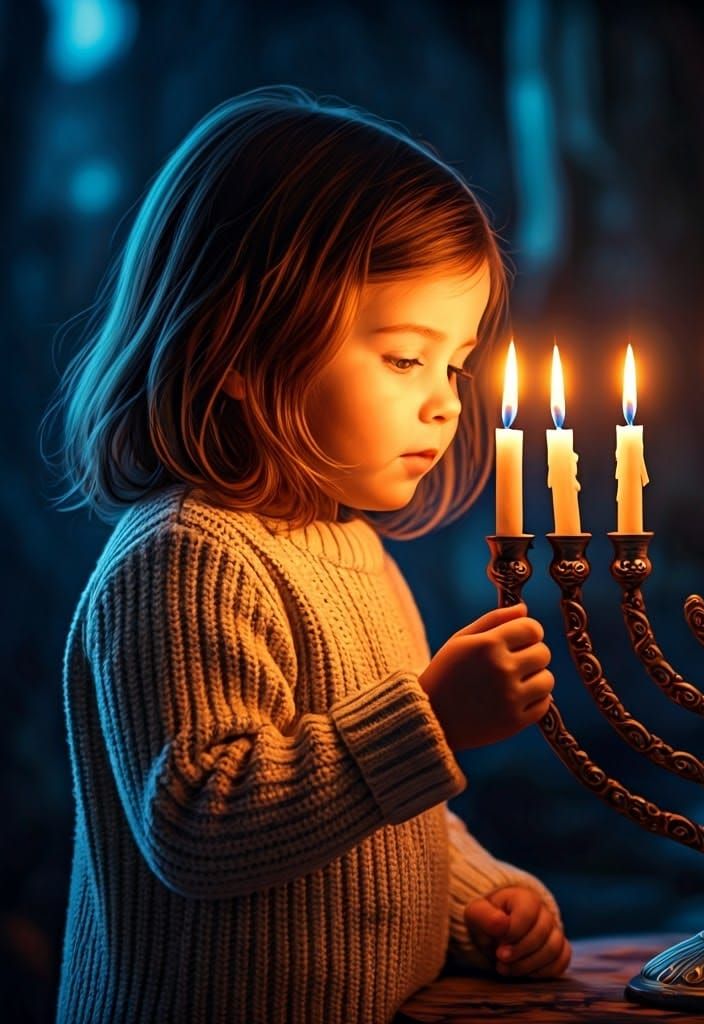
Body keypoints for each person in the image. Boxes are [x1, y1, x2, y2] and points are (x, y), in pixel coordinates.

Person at [43, 85, 570, 1024]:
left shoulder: (356, 553)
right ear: (240, 349)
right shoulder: (184, 557)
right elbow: (201, 824)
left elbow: (383, 820)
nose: (446, 402)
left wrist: (482, 899)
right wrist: (432, 721)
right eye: (404, 358)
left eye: (456, 364)